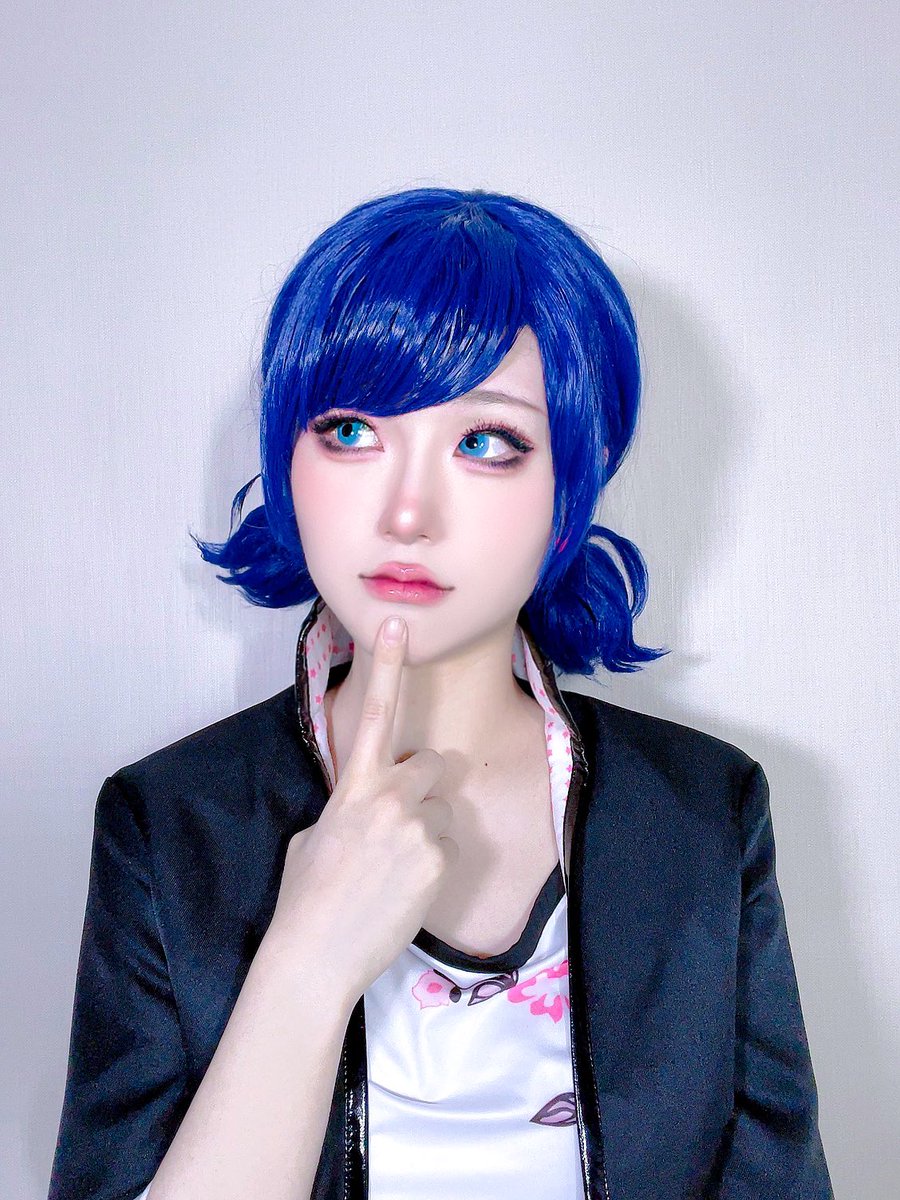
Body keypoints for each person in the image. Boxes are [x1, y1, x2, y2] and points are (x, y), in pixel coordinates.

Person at [47, 187, 834, 1199]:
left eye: (484, 442)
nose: (408, 512)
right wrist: (306, 965)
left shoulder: (704, 811)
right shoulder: (166, 824)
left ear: (570, 488)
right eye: (350, 431)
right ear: (288, 463)